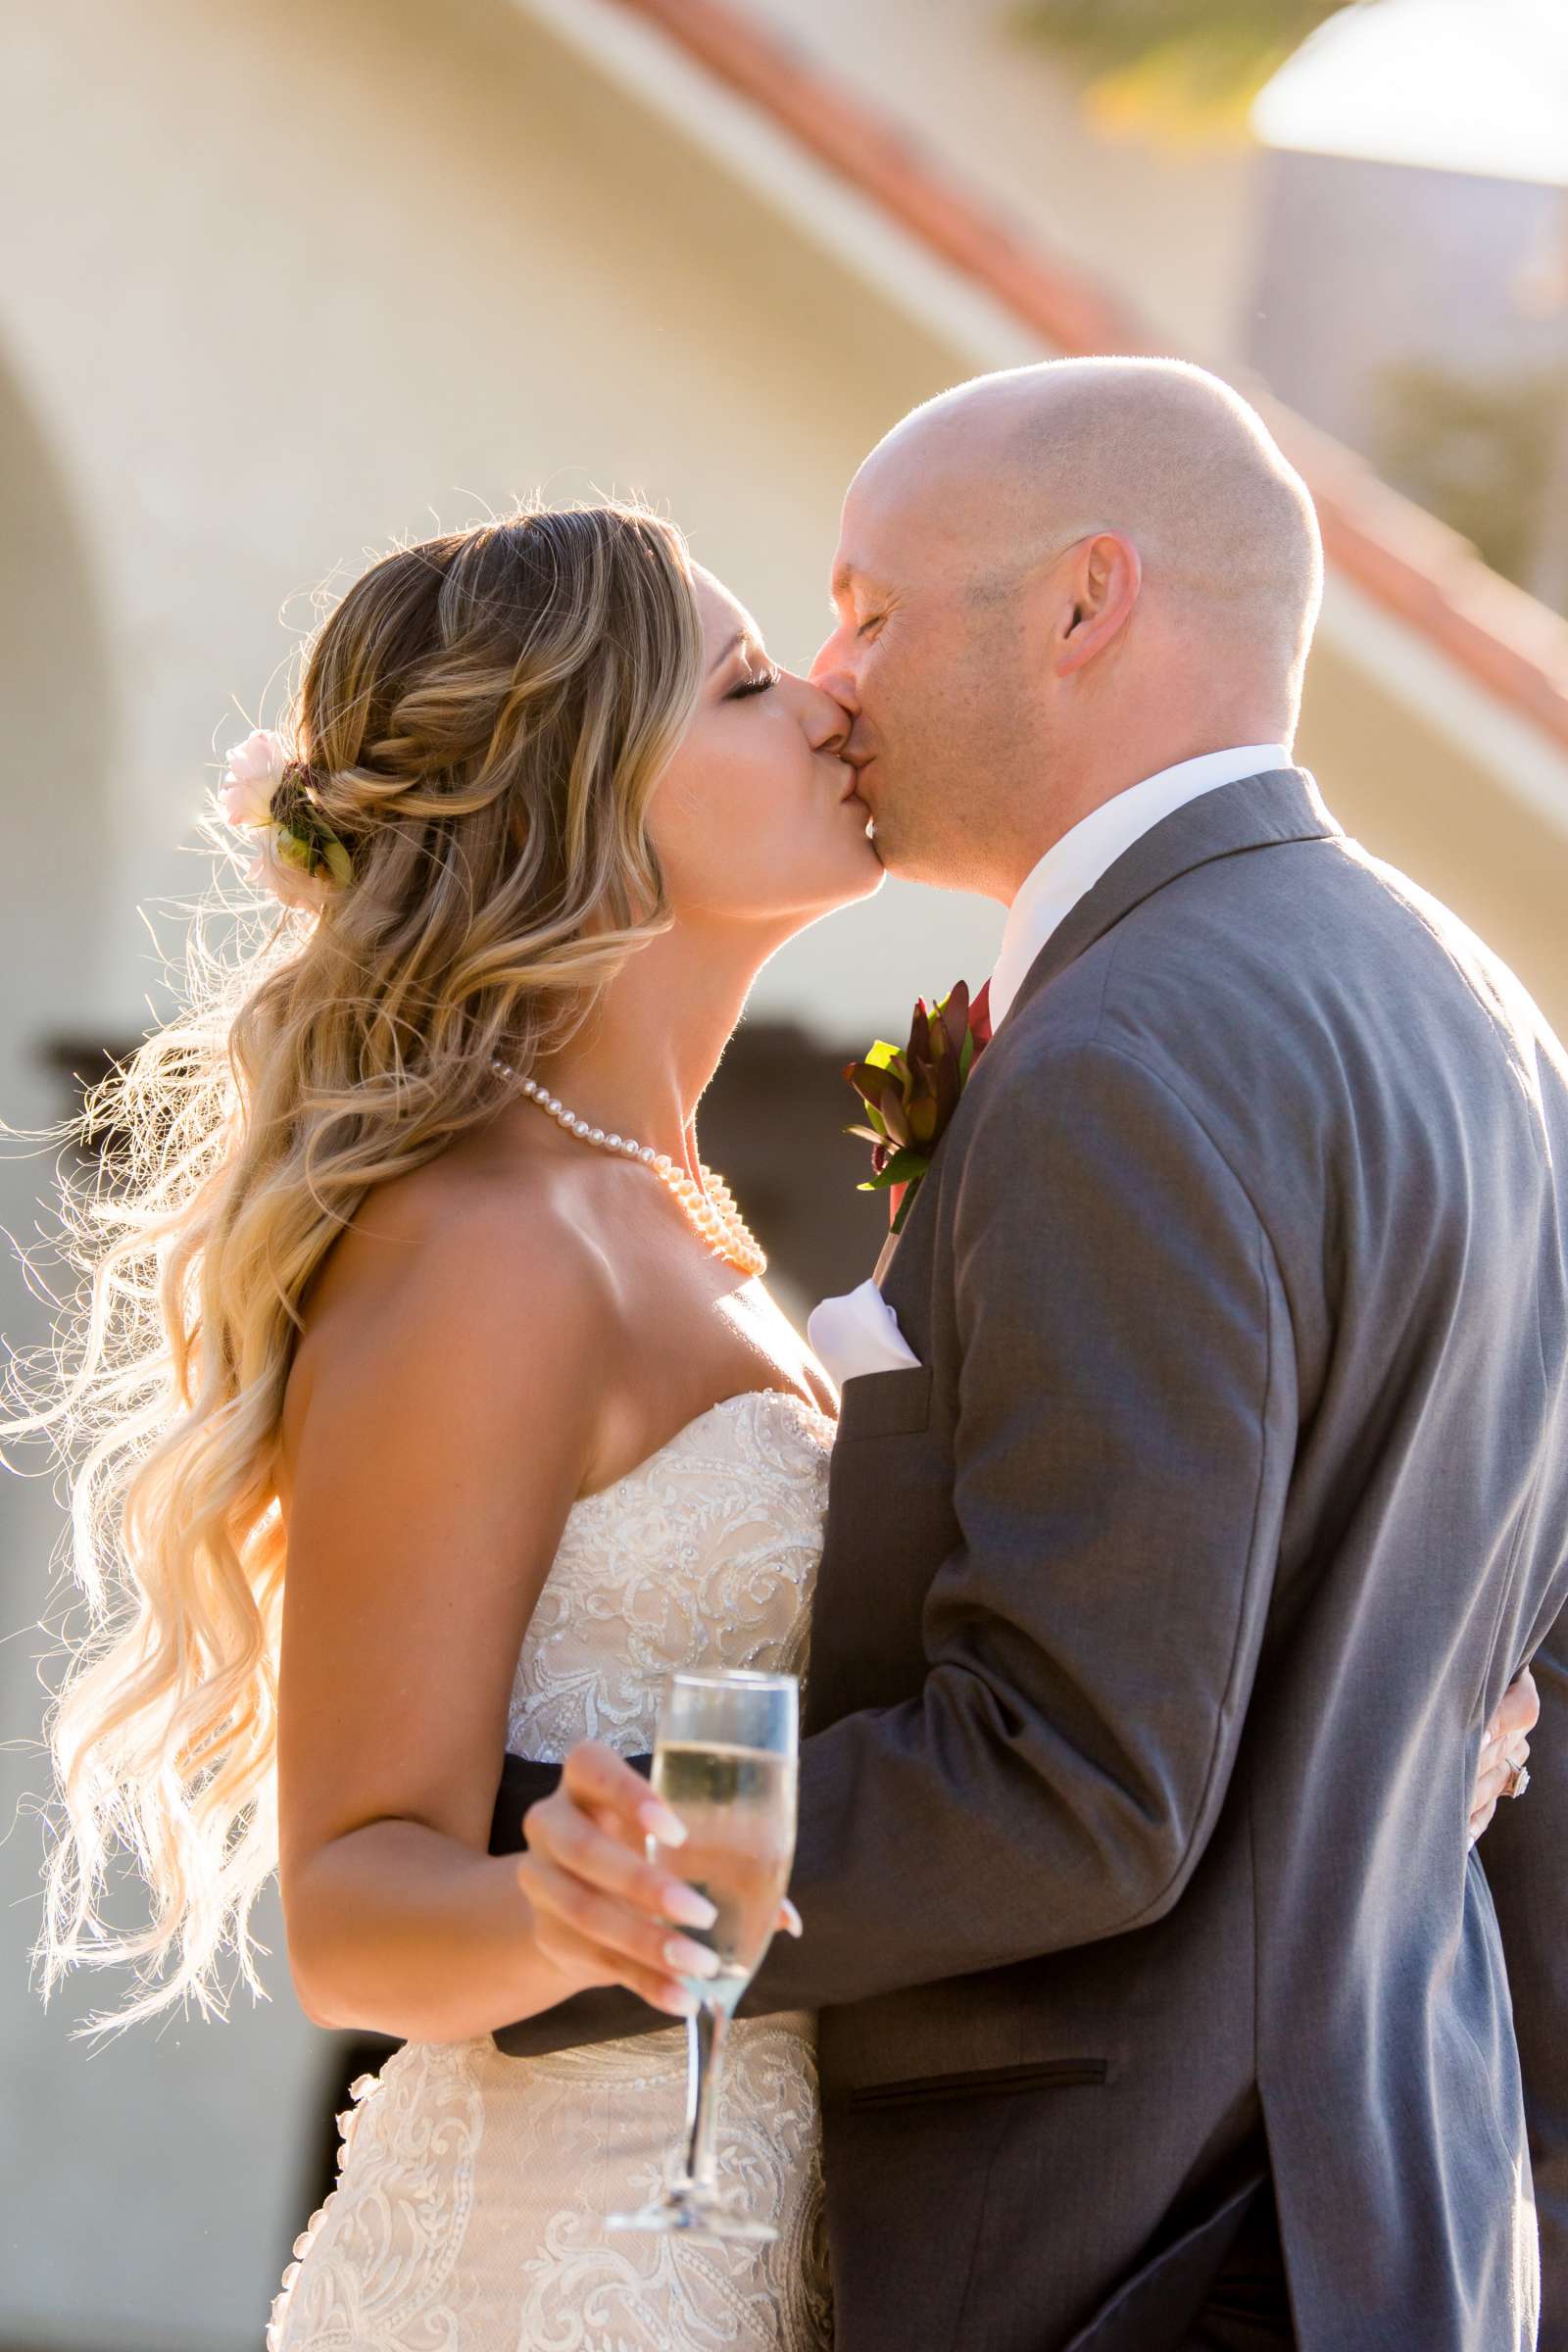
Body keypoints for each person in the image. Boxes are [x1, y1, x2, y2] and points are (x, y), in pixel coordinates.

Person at [7, 429, 1535, 2349]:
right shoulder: (488, 1244)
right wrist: (560, 1916)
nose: (825, 698)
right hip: (565, 2256)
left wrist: (1371, 1713)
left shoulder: (697, 1217)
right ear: (588, 802)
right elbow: (353, 1899)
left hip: (786, 2229)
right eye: (746, 681)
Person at [493, 361, 1568, 2352]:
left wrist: (537, 1887)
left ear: (1085, 604)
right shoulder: (1487, 1025)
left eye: (872, 607)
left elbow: (1076, 1775)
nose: (830, 676)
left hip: (1119, 2258)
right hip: (1401, 2225)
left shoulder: (1120, 1057)